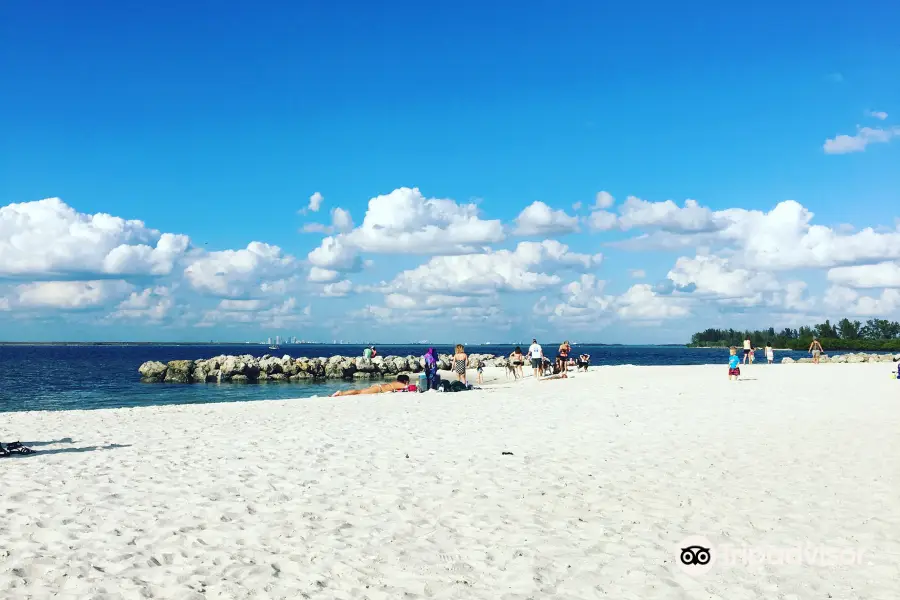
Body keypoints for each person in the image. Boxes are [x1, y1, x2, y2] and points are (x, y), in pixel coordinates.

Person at [332, 374, 412, 396]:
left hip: (378, 387)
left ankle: (341, 393)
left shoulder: (396, 383)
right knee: (359, 392)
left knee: (360, 392)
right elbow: (408, 387)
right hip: (379, 389)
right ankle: (340, 393)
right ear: (405, 381)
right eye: (408, 381)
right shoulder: (400, 384)